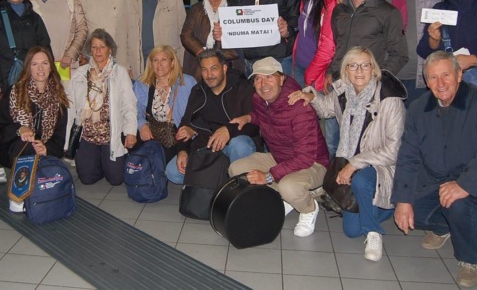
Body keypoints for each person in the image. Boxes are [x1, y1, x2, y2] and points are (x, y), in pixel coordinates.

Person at [392, 51, 477, 287]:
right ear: (426, 82)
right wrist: (403, 199)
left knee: (459, 204)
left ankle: (470, 260)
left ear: (459, 75)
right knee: (409, 209)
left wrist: (464, 184)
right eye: (433, 77)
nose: (440, 83)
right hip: (437, 178)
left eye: (446, 75)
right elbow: (408, 156)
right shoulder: (417, 109)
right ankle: (444, 227)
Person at [288, 47, 406, 261]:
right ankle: (384, 208)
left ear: (374, 69)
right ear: (346, 71)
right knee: (351, 231)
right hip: (350, 162)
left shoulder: (389, 99)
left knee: (361, 181)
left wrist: (354, 164)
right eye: (353, 66)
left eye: (365, 65)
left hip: (381, 166)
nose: (359, 71)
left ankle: (374, 233)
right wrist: (310, 97)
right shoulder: (344, 93)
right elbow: (326, 108)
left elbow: (393, 150)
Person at [229, 57, 330, 238]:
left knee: (288, 186)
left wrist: (268, 176)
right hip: (280, 156)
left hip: (313, 163)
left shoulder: (299, 106)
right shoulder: (259, 99)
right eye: (258, 78)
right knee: (236, 169)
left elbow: (305, 158)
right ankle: (286, 197)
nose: (263, 84)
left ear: (281, 79)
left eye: (269, 77)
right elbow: (267, 116)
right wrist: (248, 118)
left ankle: (309, 208)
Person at [324, 0, 408, 158]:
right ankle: (335, 176)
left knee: (363, 146)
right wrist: (331, 71)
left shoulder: (387, 12)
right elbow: (339, 45)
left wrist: (376, 81)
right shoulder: (339, 10)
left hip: (368, 91)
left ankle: (358, 177)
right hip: (340, 85)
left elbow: (400, 54)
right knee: (334, 142)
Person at [167, 49, 260, 184]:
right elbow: (185, 123)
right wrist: (182, 150)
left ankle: (235, 184)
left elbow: (255, 124)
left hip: (234, 145)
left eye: (214, 69)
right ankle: (220, 178)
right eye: (204, 70)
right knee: (173, 172)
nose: (209, 75)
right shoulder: (198, 91)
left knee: (239, 145)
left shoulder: (243, 87)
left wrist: (229, 130)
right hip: (207, 145)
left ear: (224, 68)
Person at [0, 46, 69, 211]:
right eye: (35, 64)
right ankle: (17, 196)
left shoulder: (58, 99)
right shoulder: (14, 93)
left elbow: (59, 139)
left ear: (51, 67)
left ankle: (35, 187)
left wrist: (46, 148)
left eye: (45, 63)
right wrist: (19, 129)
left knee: (40, 156)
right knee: (28, 146)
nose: (40, 69)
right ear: (28, 68)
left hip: (42, 151)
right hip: (12, 147)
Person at [68, 29, 137, 186]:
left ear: (110, 49)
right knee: (87, 179)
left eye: (102, 47)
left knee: (116, 180)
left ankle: (108, 161)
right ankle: (96, 160)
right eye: (94, 47)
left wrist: (130, 132)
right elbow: (71, 107)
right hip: (88, 134)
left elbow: (129, 105)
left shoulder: (120, 72)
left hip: (110, 135)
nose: (98, 51)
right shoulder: (80, 73)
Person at [115, 0, 186, 78]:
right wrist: (124, 66)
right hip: (137, 68)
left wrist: (179, 64)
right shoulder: (127, 0)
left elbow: (183, 35)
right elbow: (121, 36)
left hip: (168, 68)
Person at [133, 45, 196, 163]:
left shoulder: (187, 82)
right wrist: (142, 125)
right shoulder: (143, 84)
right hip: (154, 136)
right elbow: (136, 110)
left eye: (164, 60)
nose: (159, 64)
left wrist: (192, 129)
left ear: (172, 63)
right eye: (155, 60)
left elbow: (199, 112)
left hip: (181, 137)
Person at [29, 0, 88, 80]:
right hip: (40, 67)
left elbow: (82, 28)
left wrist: (70, 55)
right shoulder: (30, 1)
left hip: (68, 65)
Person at [180, 0, 244, 81]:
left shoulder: (234, 10)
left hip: (227, 65)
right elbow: (186, 35)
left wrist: (217, 56)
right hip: (198, 65)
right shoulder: (195, 9)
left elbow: (241, 41)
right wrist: (202, 52)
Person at [292, 0, 337, 89]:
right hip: (299, 66)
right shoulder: (306, 1)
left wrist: (310, 75)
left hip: (316, 74)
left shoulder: (330, 4)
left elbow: (328, 46)